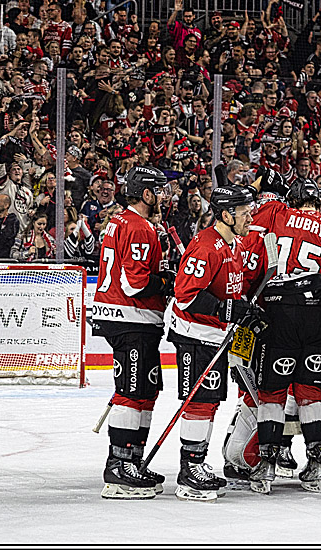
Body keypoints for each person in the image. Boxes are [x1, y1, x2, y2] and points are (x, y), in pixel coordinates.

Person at [248, 178, 321, 494]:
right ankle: (317, 466)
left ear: (291, 200)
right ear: (318, 203)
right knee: (311, 391)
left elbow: (253, 255)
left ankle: (267, 465)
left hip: (278, 311)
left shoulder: (275, 213)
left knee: (272, 391)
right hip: (317, 314)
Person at [165, 184, 265, 501]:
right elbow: (186, 295)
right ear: (226, 215)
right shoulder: (206, 247)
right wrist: (227, 310)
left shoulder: (233, 244)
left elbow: (230, 292)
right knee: (199, 402)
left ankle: (197, 463)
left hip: (214, 334)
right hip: (195, 335)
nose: (250, 218)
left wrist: (244, 312)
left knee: (209, 402)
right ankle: (189, 472)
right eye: (245, 213)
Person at [92, 167, 174, 500]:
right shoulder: (139, 227)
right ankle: (119, 466)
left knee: (146, 390)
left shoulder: (123, 221)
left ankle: (133, 461)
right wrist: (167, 281)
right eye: (159, 190)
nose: (164, 196)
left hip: (133, 318)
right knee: (131, 391)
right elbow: (134, 283)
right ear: (146, 193)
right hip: (130, 318)